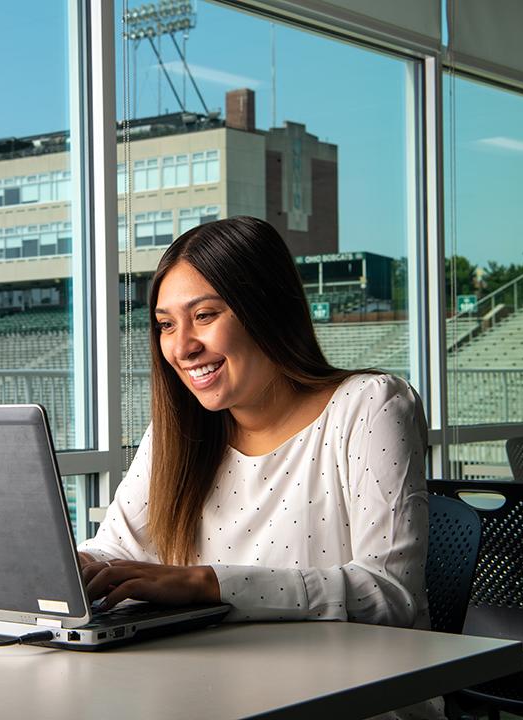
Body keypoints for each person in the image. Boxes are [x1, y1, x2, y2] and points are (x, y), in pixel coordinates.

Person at [77, 216, 436, 718]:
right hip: (210, 692)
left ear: (265, 309)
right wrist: (71, 567)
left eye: (204, 315)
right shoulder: (176, 432)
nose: (181, 347)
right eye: (165, 324)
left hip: (352, 699)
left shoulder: (370, 405)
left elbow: (389, 592)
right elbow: (116, 548)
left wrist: (209, 585)